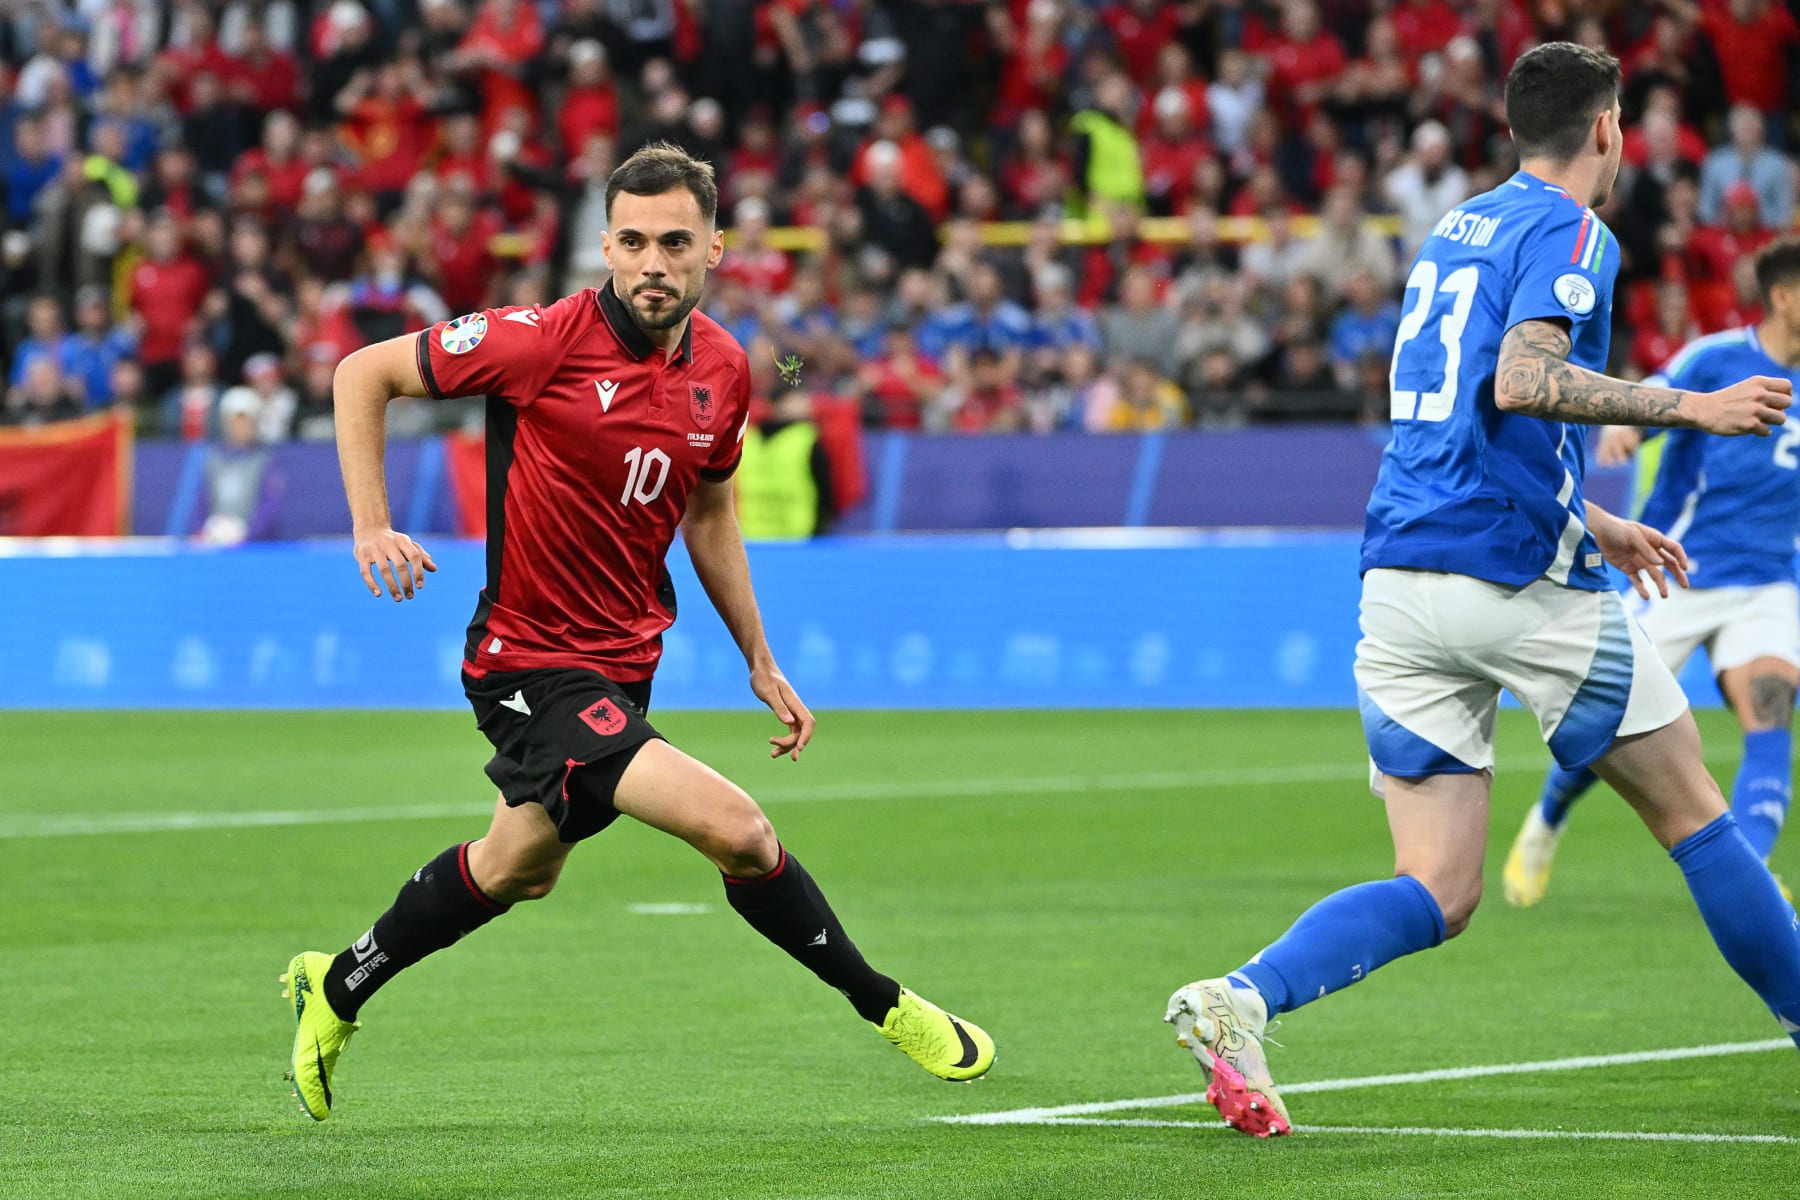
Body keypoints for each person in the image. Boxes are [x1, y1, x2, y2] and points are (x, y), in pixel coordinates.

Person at [1163, 44, 1800, 1140]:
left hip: (1401, 583)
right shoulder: (1573, 230)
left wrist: (1597, 516)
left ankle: (1243, 998)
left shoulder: (1457, 230)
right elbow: (1521, 379)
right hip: (1512, 577)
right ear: (1606, 132)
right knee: (1697, 813)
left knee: (1438, 885)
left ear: (1513, 132)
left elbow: (1471, 422)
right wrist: (1689, 409)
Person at [280, 143, 993, 1122]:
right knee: (740, 830)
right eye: (632, 242)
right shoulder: (538, 342)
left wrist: (759, 657)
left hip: (624, 671)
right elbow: (363, 372)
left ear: (714, 250)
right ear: (605, 248)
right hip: (526, 663)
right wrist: (372, 522)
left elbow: (709, 517)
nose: (652, 262)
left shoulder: (729, 372)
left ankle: (339, 985)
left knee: (515, 869)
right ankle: (888, 1005)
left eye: (673, 242)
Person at [1505, 236, 1800, 908]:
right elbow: (1657, 396)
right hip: (1680, 573)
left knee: (1772, 716)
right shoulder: (1718, 359)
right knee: (1608, 726)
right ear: (1783, 296)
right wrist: (1630, 430)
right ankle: (1547, 820)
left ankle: (1749, 885)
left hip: (1769, 582)